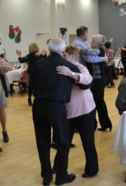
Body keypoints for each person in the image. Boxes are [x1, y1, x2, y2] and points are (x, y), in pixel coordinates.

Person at [30, 38, 79, 186]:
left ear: (49, 48)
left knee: (42, 141)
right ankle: (61, 177)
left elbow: (31, 85)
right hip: (57, 107)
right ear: (63, 50)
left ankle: (46, 176)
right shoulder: (70, 66)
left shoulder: (38, 64)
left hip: (38, 105)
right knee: (63, 142)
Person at [53, 45, 99, 178]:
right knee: (63, 142)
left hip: (85, 110)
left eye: (65, 55)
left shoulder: (80, 67)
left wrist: (71, 74)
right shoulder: (60, 68)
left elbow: (87, 79)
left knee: (87, 141)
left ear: (72, 56)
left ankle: (92, 169)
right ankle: (57, 167)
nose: (62, 57)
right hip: (68, 112)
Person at [80, 34, 112, 131]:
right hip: (99, 80)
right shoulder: (100, 51)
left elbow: (85, 53)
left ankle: (92, 125)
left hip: (98, 81)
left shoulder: (98, 51)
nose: (90, 42)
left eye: (93, 41)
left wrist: (77, 48)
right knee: (99, 102)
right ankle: (105, 124)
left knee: (92, 102)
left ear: (97, 43)